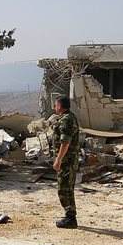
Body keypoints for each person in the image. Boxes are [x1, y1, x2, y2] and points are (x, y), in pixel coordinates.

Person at [52, 95, 80, 229]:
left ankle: (70, 217)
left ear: (59, 105)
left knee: (64, 188)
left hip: (67, 160)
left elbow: (65, 141)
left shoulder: (66, 120)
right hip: (69, 159)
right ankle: (69, 216)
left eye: (55, 105)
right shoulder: (69, 117)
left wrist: (58, 159)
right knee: (67, 187)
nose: (54, 107)